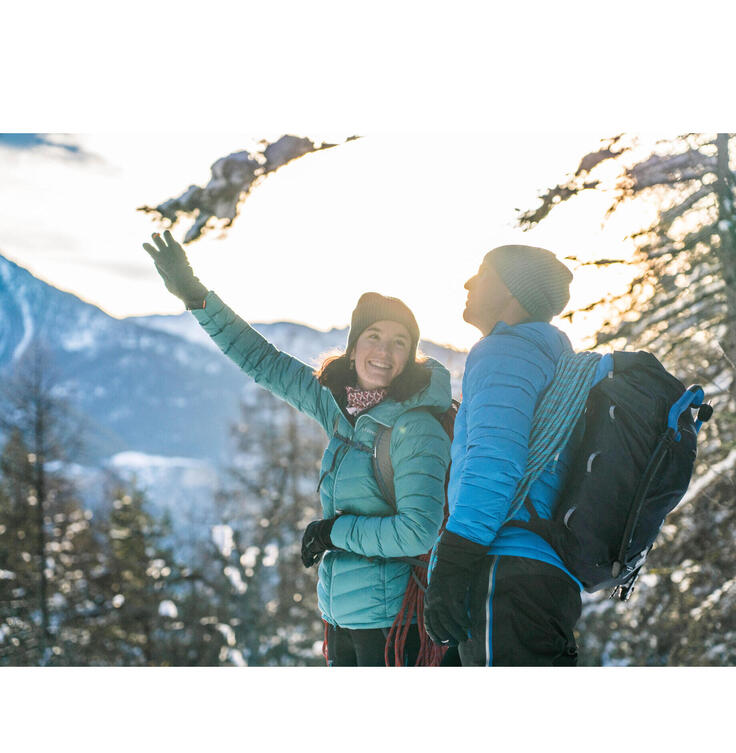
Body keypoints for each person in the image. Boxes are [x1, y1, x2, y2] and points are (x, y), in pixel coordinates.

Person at [143, 231, 452, 666]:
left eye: (399, 341)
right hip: (344, 617)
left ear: (410, 356)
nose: (383, 351)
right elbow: (264, 362)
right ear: (354, 345)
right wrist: (195, 296)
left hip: (395, 625)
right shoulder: (341, 408)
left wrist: (332, 532)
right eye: (374, 336)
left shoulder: (415, 427)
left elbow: (417, 531)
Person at [424, 244, 584, 666]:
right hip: (537, 572)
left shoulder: (507, 351)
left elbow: (494, 464)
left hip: (505, 569)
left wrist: (453, 562)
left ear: (512, 291)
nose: (468, 283)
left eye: (482, 272)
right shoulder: (546, 355)